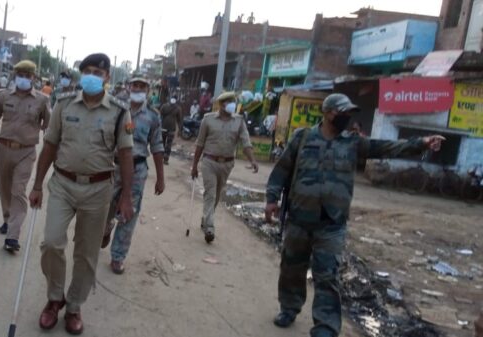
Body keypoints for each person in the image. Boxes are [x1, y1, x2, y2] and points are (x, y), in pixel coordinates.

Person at [264, 93, 446, 337]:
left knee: (327, 275)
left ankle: (326, 326)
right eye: (343, 112)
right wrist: (271, 199)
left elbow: (387, 147)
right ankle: (289, 307)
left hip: (332, 224)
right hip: (299, 219)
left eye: (349, 112)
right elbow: (282, 169)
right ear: (329, 113)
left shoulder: (353, 142)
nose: (348, 117)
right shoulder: (303, 137)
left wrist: (422, 142)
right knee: (291, 267)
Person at [28, 53, 134, 335]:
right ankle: (54, 298)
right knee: (51, 243)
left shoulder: (120, 111)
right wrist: (37, 185)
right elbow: (49, 146)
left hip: (99, 189)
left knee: (86, 254)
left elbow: (125, 154)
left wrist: (126, 198)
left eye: (97, 72)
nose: (91, 75)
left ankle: (74, 306)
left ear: (107, 77)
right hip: (62, 183)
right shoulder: (63, 104)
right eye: (86, 70)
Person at [0, 60, 50, 252]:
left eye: (27, 75)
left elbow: (49, 127)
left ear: (34, 78)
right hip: (3, 149)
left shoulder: (42, 101)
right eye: (20, 74)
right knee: (4, 188)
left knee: (18, 191)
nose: (23, 78)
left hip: (26, 152)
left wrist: (52, 148)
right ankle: (7, 219)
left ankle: (12, 236)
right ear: (15, 76)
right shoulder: (4, 96)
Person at [101, 76, 165, 274]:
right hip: (112, 166)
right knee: (104, 207)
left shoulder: (153, 115)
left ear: (148, 89)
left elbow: (157, 146)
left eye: (142, 86)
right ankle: (105, 228)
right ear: (129, 87)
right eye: (135, 85)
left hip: (137, 169)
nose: (138, 88)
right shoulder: (117, 108)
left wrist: (161, 178)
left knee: (129, 212)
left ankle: (118, 256)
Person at [191, 92, 258, 243]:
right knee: (210, 194)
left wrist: (252, 160)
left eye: (233, 101)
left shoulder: (239, 121)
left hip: (227, 164)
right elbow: (200, 144)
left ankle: (205, 218)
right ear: (221, 104)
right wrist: (194, 165)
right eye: (229, 102)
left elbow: (245, 143)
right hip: (209, 162)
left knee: (217, 194)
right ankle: (209, 228)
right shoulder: (208, 120)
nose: (232, 104)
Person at [159, 96, 182, 164]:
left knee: (166, 144)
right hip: (167, 128)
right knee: (164, 143)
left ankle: (165, 158)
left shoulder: (165, 106)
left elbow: (179, 120)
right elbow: (179, 120)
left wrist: (180, 129)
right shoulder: (177, 108)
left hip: (168, 128)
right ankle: (163, 158)